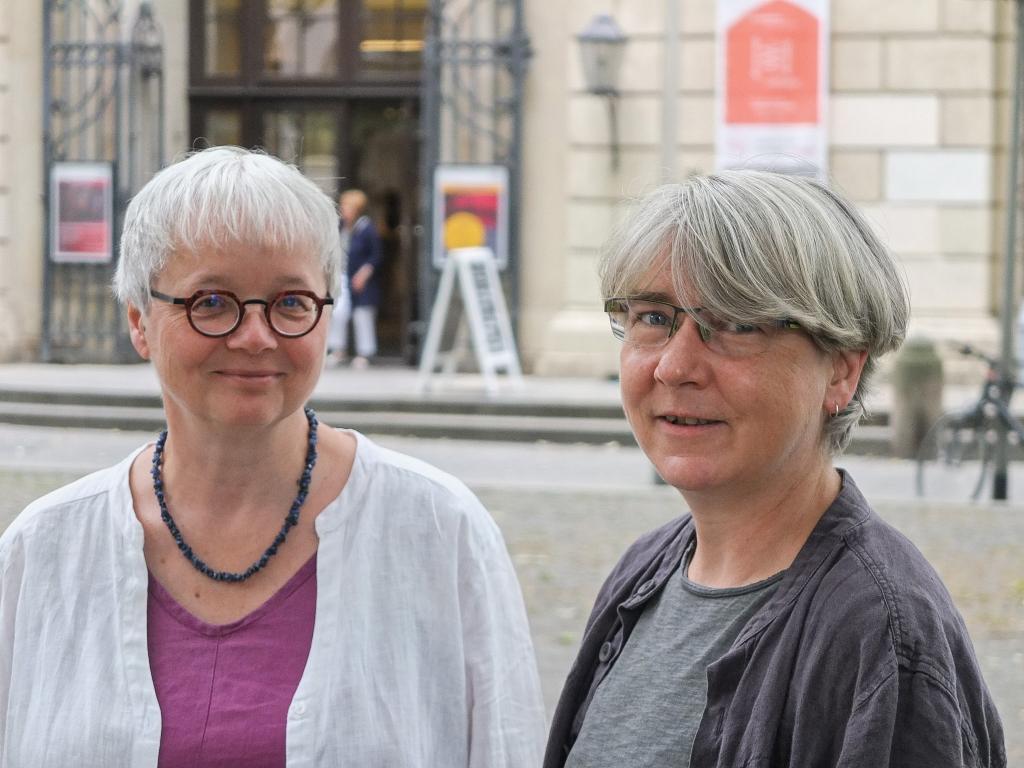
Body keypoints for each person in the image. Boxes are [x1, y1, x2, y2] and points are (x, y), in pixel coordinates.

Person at [0, 147, 545, 766]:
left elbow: (507, 749)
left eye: (290, 301)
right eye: (210, 301)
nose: (255, 336)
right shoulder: (44, 551)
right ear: (138, 320)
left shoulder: (439, 531)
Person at [545, 171, 1006, 767]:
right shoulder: (644, 573)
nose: (675, 367)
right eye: (655, 317)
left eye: (737, 324)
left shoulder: (878, 636)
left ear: (839, 370)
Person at [327, 188, 383, 368]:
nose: (344, 211)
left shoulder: (366, 229)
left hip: (361, 278)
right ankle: (337, 349)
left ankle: (365, 352)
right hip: (343, 276)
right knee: (338, 312)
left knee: (362, 314)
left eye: (347, 207)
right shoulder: (341, 227)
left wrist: (364, 274)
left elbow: (376, 256)